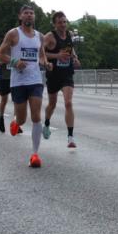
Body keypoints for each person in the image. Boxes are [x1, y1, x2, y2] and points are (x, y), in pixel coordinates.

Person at [0, 5, 49, 167]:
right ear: (20, 16)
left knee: (36, 117)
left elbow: (41, 56)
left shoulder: (39, 36)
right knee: (22, 118)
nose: (29, 16)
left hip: (35, 81)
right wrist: (14, 61)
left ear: (34, 17)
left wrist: (46, 64)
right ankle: (15, 122)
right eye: (26, 13)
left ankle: (35, 154)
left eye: (31, 13)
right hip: (18, 81)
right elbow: (0, 55)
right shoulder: (13, 34)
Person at [42, 11, 80, 148]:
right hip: (53, 75)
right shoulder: (50, 36)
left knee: (68, 103)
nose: (63, 25)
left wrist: (75, 59)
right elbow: (41, 52)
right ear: (54, 24)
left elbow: (71, 50)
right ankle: (46, 123)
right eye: (60, 22)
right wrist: (56, 56)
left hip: (67, 74)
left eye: (65, 21)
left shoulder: (69, 34)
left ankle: (70, 137)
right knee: (52, 104)